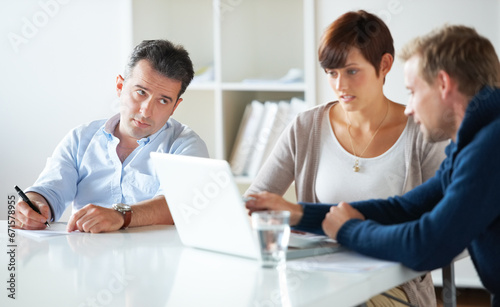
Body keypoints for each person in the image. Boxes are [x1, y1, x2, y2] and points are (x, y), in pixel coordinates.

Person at [247, 24, 500, 305]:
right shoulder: (473, 144)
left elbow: (429, 244)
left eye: (413, 92)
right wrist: (299, 213)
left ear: (443, 84)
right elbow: (404, 208)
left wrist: (348, 230)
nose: (409, 108)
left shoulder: (490, 147)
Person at [14, 39, 209, 234]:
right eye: (141, 92)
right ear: (120, 86)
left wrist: (121, 215)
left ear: (175, 106)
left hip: (154, 260)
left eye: (163, 100)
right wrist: (34, 204)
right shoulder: (80, 139)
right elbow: (49, 190)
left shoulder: (186, 146)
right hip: (85, 257)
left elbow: (178, 204)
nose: (146, 111)